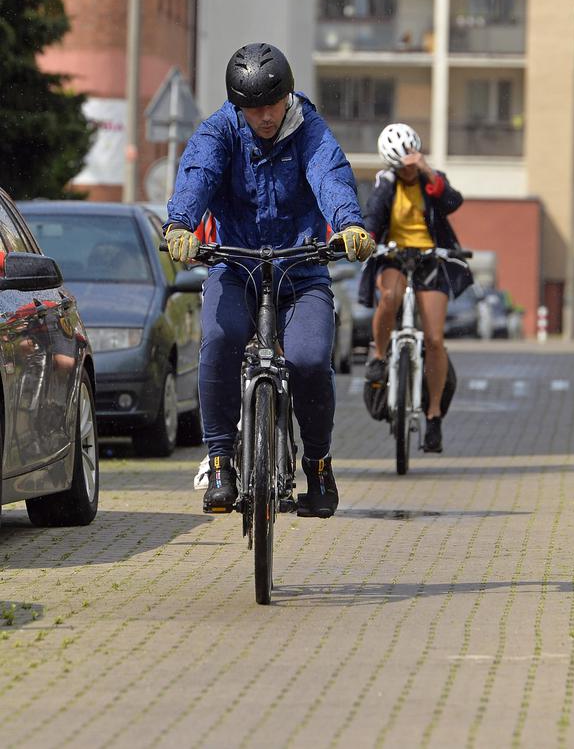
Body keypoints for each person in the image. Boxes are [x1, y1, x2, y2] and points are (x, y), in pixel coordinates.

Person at [164, 42, 374, 517]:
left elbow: (330, 175)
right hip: (234, 265)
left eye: (272, 105)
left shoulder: (310, 130)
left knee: (308, 357)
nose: (264, 116)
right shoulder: (220, 130)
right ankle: (220, 461)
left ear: (288, 96)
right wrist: (180, 224)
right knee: (219, 339)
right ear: (238, 106)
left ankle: (318, 466)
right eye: (253, 108)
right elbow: (198, 172)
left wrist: (348, 224)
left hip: (302, 268)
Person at [359, 123, 472, 453]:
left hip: (430, 257)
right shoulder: (385, 183)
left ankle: (434, 416)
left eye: (410, 165)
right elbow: (373, 215)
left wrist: (425, 170)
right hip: (393, 255)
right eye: (401, 168)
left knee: (435, 339)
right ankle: (379, 355)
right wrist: (368, 239)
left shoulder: (430, 180)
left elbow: (452, 202)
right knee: (390, 297)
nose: (406, 173)